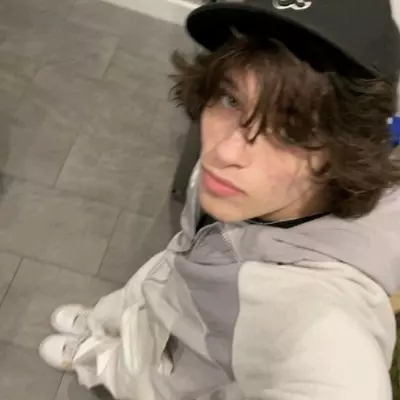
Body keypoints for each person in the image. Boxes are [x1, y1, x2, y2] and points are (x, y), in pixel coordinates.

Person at [39, 0, 400, 399]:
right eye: (231, 99)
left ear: (349, 149)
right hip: (159, 294)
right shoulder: (241, 182)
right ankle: (98, 331)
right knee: (127, 311)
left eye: (291, 129)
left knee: (125, 372)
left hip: (167, 376)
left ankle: (94, 364)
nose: (225, 151)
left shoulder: (316, 319)